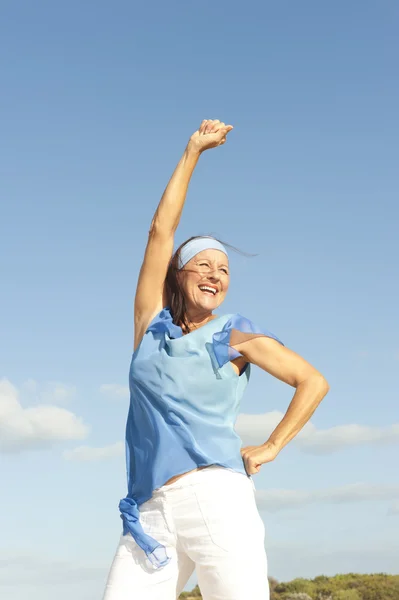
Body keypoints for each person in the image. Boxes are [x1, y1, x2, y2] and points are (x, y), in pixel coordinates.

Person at [102, 119, 329, 600]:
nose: (215, 274)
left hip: (216, 497)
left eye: (223, 268)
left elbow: (312, 381)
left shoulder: (236, 335)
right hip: (148, 510)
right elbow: (160, 230)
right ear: (178, 276)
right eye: (203, 264)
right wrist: (193, 152)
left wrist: (270, 447)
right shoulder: (149, 327)